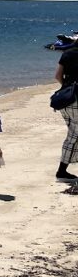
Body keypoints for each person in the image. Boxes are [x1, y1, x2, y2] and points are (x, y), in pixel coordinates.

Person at [55, 48, 78, 181]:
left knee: (73, 134)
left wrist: (68, 88)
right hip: (76, 100)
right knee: (73, 136)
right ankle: (61, 171)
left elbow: (58, 76)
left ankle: (62, 171)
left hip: (64, 100)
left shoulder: (67, 53)